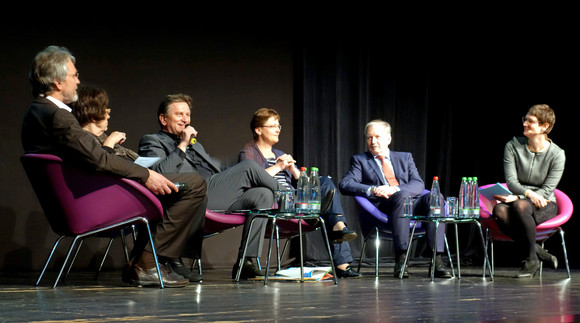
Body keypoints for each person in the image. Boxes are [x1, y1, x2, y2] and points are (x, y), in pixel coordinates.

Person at [22, 46, 208, 287]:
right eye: (74, 75)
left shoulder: (36, 112)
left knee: (175, 187)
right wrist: (145, 175)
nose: (78, 81)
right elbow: (98, 159)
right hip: (92, 199)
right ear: (58, 82)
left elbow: (90, 156)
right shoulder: (57, 115)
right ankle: (148, 263)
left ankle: (144, 263)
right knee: (192, 184)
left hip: (80, 197)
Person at [138, 94, 283, 279]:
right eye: (180, 114)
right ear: (163, 119)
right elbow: (158, 173)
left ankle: (245, 261)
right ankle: (291, 199)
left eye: (188, 115)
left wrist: (238, 169)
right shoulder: (152, 141)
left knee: (263, 194)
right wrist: (182, 145)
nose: (186, 120)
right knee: (249, 168)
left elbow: (220, 168)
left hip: (215, 194)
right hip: (188, 197)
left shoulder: (195, 145)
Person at [239, 108, 361, 278]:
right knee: (326, 207)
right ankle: (339, 247)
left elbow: (300, 182)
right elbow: (250, 179)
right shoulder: (248, 153)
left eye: (279, 126)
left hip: (297, 200)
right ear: (258, 130)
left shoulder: (280, 154)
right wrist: (278, 167)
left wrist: (292, 169)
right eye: (273, 126)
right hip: (273, 203)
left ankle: (338, 227)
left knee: (324, 181)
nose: (278, 129)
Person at [339, 119, 451, 278]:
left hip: (413, 201)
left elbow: (418, 183)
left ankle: (437, 260)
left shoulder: (405, 158)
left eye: (377, 137)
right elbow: (345, 184)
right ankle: (401, 259)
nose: (373, 141)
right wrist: (372, 189)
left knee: (435, 197)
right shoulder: (360, 160)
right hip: (386, 206)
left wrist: (395, 189)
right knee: (402, 196)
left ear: (388, 139)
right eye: (369, 138)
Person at [492, 104, 565, 278]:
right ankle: (537, 252)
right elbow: (511, 181)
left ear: (544, 126)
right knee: (499, 210)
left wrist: (521, 196)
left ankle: (530, 258)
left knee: (520, 206)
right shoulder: (513, 146)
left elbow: (547, 190)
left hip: (546, 203)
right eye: (525, 119)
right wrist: (525, 194)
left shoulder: (557, 154)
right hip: (523, 200)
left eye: (530, 121)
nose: (525, 123)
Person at [70, 84, 138, 160]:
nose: (108, 116)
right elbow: (102, 165)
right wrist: (110, 141)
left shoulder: (104, 139)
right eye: (106, 111)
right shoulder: (82, 141)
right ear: (93, 115)